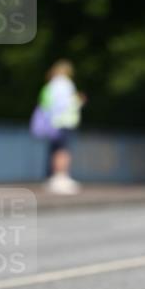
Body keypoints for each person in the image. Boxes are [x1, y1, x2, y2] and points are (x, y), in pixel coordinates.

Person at [39, 60, 86, 194]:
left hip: (53, 122)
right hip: (64, 121)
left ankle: (53, 178)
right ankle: (61, 178)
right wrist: (79, 100)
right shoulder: (65, 83)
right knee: (63, 150)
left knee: (55, 150)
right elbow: (65, 104)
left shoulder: (51, 84)